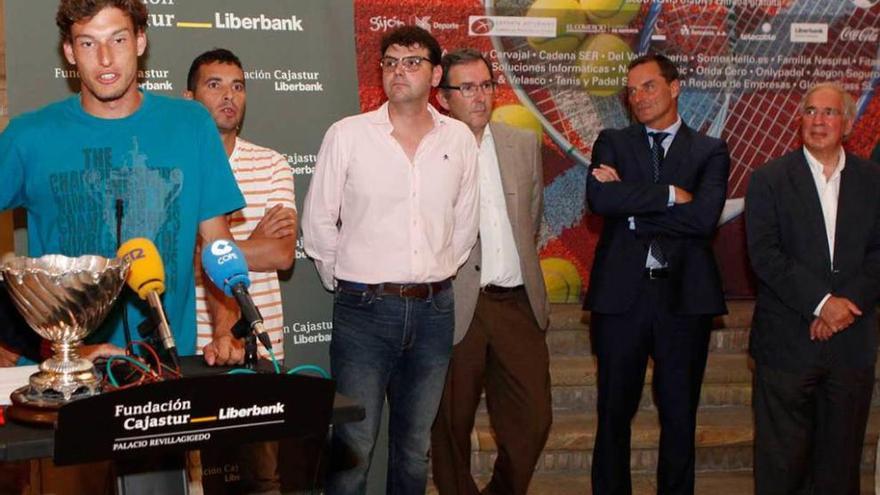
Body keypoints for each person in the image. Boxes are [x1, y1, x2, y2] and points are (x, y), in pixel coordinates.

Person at [0, 0, 244, 362]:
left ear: (140, 42)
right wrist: (31, 342)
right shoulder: (29, 136)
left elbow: (216, 243)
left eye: (117, 40)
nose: (105, 59)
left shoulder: (190, 124)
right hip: (63, 375)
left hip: (166, 365)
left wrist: (226, 331)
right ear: (68, 51)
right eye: (87, 43)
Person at [301, 25, 479, 495]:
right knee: (353, 447)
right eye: (391, 62)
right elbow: (318, 225)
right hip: (364, 313)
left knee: (414, 449)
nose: (399, 71)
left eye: (412, 62)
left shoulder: (459, 139)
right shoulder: (348, 135)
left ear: (436, 73)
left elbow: (464, 227)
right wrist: (354, 283)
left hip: (434, 312)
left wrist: (435, 273)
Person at [585, 53, 730, 495]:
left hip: (685, 299)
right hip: (620, 301)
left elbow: (704, 220)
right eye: (631, 90)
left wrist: (633, 209)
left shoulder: (710, 150)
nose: (639, 97)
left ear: (675, 87)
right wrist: (669, 194)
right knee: (613, 413)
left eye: (648, 86)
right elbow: (601, 202)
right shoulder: (611, 141)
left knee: (680, 415)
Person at [745, 81, 880, 495]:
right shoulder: (768, 179)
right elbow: (766, 255)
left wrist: (843, 307)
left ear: (848, 123)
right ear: (798, 119)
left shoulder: (873, 179)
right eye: (810, 112)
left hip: (851, 347)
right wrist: (822, 304)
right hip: (787, 345)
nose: (818, 121)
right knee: (781, 469)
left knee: (839, 471)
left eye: (829, 112)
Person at [429, 48, 551, 495]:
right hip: (454, 305)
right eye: (467, 88)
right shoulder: (428, 149)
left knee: (534, 419)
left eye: (486, 85)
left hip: (516, 301)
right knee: (449, 427)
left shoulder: (521, 145)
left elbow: (530, 221)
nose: (479, 96)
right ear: (443, 98)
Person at [184, 47, 297, 495]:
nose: (228, 96)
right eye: (214, 85)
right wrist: (242, 242)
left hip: (257, 350)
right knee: (195, 480)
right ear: (189, 95)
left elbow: (283, 254)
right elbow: (174, 255)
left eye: (237, 86)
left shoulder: (270, 164)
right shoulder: (175, 165)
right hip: (191, 350)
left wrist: (208, 246)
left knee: (263, 479)